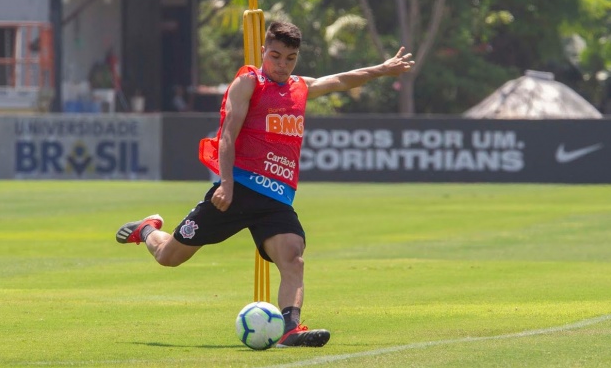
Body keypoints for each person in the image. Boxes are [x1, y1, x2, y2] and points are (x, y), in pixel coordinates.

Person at [116, 21, 414, 347]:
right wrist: (225, 183)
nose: (282, 65)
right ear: (263, 52)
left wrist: (384, 69)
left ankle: (290, 328)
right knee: (168, 256)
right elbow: (227, 135)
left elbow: (342, 79)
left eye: (290, 58)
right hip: (237, 191)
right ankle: (146, 229)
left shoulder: (299, 86)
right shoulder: (248, 82)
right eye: (275, 56)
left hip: (276, 198)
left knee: (292, 256)